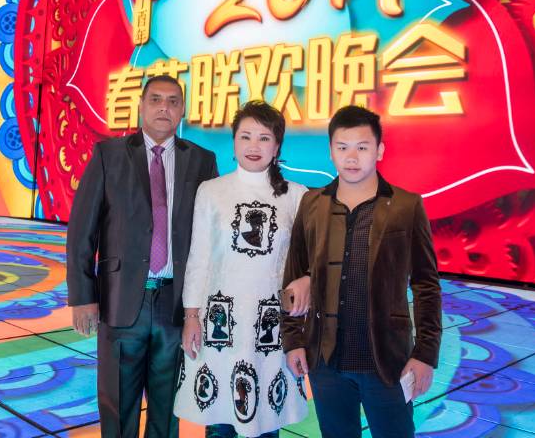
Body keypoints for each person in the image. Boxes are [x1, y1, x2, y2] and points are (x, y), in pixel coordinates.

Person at [67, 74, 218, 438]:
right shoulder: (109, 155)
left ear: (183, 110)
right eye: (156, 99)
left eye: (173, 101)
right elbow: (82, 230)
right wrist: (83, 297)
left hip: (176, 303)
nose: (164, 108)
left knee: (168, 410)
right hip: (119, 301)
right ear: (140, 106)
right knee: (118, 406)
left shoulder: (202, 160)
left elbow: (211, 237)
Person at [280, 105, 442, 438]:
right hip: (326, 361)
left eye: (362, 147)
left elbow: (426, 285)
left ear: (379, 151)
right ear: (331, 151)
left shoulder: (406, 205)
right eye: (342, 147)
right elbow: (293, 273)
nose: (351, 157)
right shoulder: (312, 204)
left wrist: (425, 354)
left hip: (387, 360)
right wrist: (293, 340)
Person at [174, 101, 310, 437]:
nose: (253, 146)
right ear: (234, 142)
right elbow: (199, 258)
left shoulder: (297, 196)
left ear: (277, 146)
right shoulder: (211, 191)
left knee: (265, 422)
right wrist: (191, 316)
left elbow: (306, 263)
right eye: (245, 136)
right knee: (220, 421)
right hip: (220, 322)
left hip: (270, 325)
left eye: (264, 138)